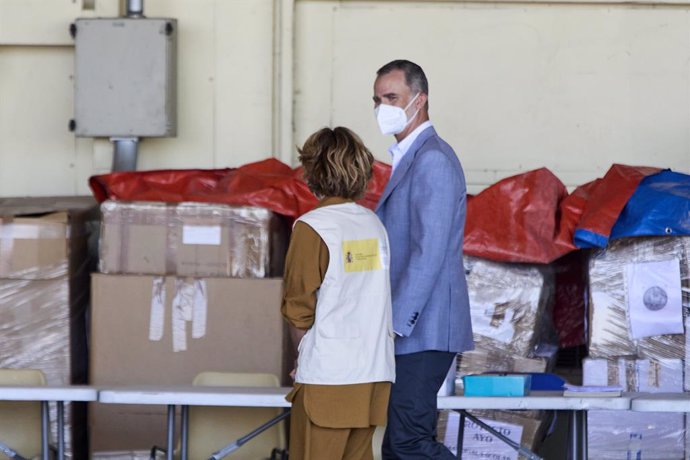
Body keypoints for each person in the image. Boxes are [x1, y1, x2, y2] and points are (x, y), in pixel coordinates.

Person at [372, 59, 474, 459]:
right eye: (377, 100)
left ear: (420, 99)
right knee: (399, 445)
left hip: (423, 327)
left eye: (391, 97)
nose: (383, 107)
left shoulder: (432, 159)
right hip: (415, 329)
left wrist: (395, 322)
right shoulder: (409, 156)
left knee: (409, 442)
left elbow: (427, 252)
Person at [281, 126, 396, 460]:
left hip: (329, 378)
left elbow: (298, 308)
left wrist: (303, 355)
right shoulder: (374, 226)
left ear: (311, 171)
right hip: (373, 376)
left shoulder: (312, 227)